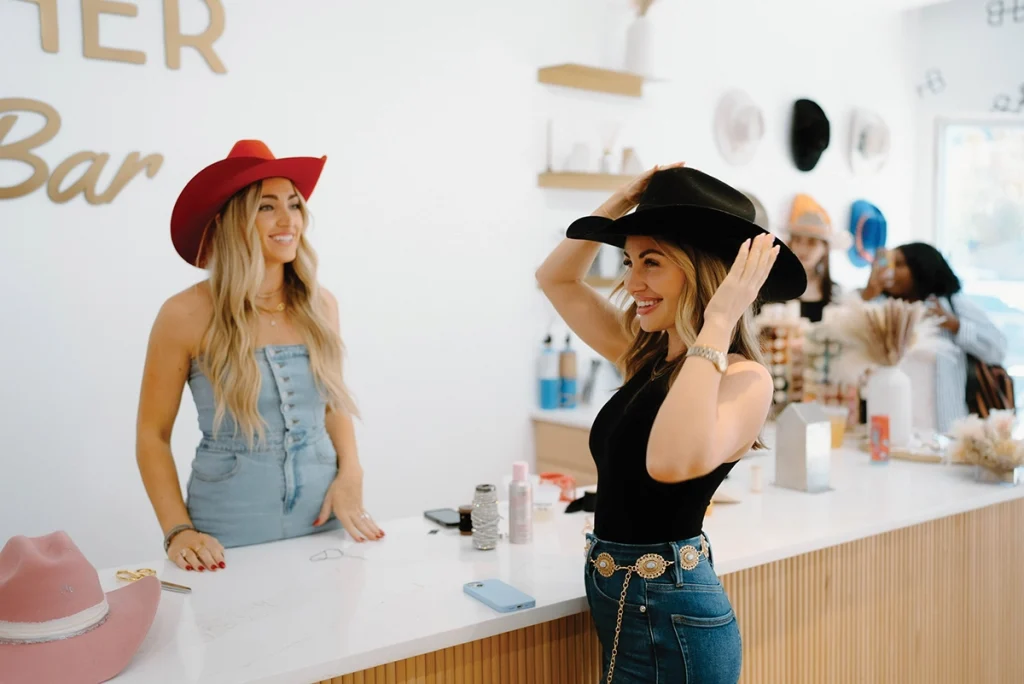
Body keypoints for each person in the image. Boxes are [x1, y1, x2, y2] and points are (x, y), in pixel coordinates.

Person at [536, 164, 806, 682]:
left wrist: (720, 318)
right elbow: (555, 279)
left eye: (652, 262)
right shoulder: (647, 356)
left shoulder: (744, 380)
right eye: (628, 260)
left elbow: (669, 461)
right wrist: (622, 199)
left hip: (677, 622)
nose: (632, 282)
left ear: (706, 271)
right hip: (625, 603)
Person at [135, 140, 383, 574]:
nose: (289, 220)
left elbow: (331, 402)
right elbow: (152, 434)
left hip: (324, 518)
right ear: (234, 220)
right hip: (226, 532)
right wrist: (178, 531)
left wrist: (351, 472)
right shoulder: (184, 314)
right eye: (267, 207)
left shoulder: (320, 305)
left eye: (294, 204)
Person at [860, 241, 1007, 432]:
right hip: (887, 431)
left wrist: (954, 325)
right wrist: (868, 294)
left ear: (920, 267)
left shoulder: (952, 305)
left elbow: (998, 349)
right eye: (887, 263)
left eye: (899, 264)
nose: (890, 271)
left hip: (943, 431)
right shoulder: (877, 306)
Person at [783, 194, 848, 323]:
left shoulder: (836, 293)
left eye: (812, 242)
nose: (803, 248)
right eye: (798, 240)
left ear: (825, 249)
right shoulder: (775, 287)